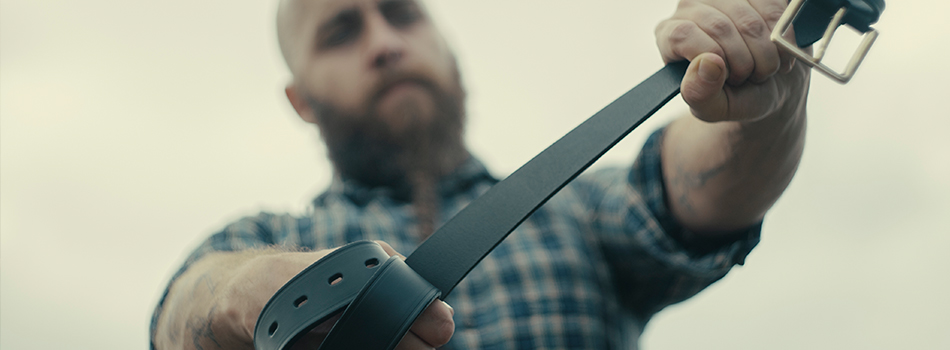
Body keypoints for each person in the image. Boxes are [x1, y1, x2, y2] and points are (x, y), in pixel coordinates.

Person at [151, 0, 810, 348]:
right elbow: (186, 307)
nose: (383, 42)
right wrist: (252, 293)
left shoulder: (576, 215)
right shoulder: (275, 233)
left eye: (402, 12)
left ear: (446, 48)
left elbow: (700, 186)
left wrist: (767, 104)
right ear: (300, 100)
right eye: (341, 32)